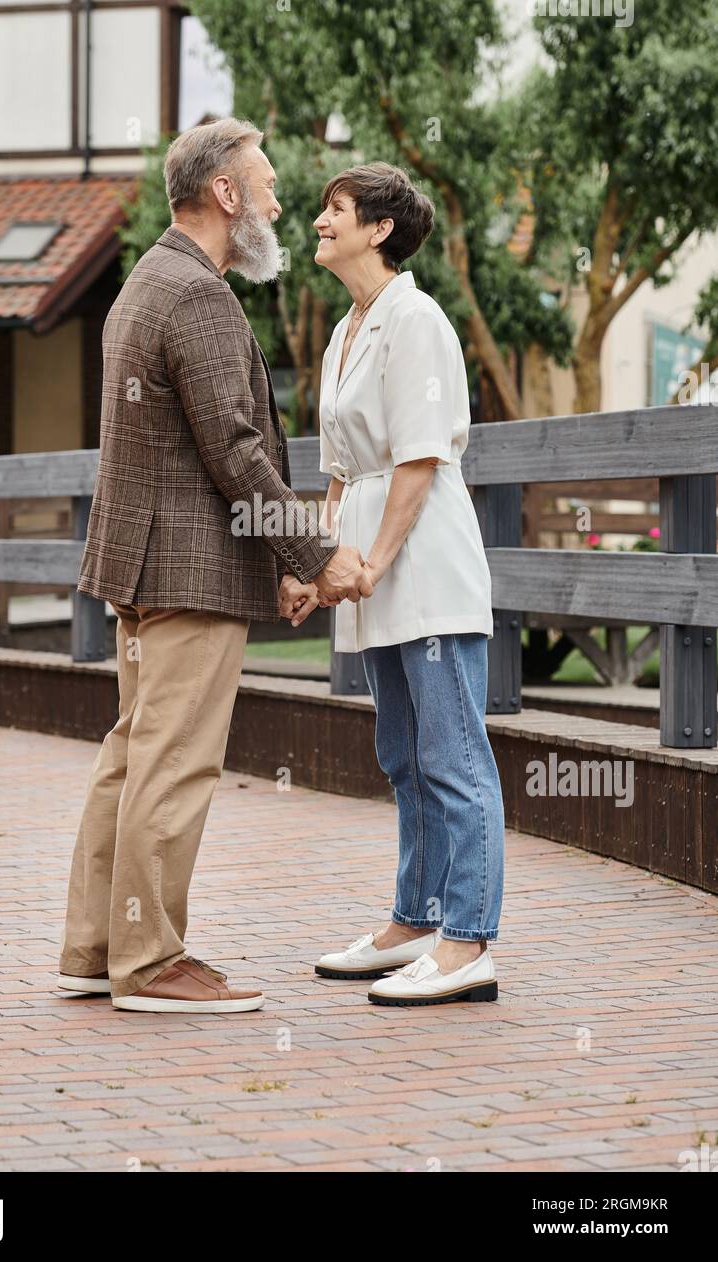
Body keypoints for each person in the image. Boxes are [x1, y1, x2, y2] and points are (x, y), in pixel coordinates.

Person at [58, 118, 371, 1014]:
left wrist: (276, 563)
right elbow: (234, 452)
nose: (279, 203)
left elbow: (199, 455)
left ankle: (93, 947)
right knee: (174, 760)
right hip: (185, 574)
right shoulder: (196, 295)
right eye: (266, 185)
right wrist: (317, 553)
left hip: (147, 566)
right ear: (225, 195)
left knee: (130, 753)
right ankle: (151, 961)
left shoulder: (144, 283)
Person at [279, 162, 505, 1007]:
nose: (318, 221)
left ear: (379, 229)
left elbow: (418, 457)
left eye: (335, 210)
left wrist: (372, 562)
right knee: (403, 756)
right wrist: (316, 566)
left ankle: (469, 941)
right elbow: (340, 476)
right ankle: (416, 919)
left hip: (425, 561)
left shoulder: (417, 320)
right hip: (370, 564)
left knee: (454, 758)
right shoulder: (347, 330)